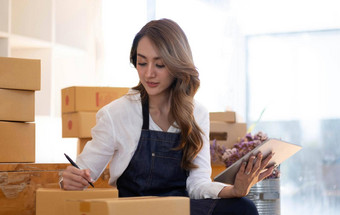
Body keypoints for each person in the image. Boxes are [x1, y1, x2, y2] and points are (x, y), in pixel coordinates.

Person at [60, 18, 274, 215]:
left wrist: (233, 190)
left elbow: (197, 184)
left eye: (160, 64)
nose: (148, 73)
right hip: (135, 210)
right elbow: (81, 172)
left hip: (178, 209)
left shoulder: (196, 112)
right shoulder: (116, 114)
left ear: (176, 65)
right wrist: (68, 179)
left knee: (242, 207)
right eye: (142, 62)